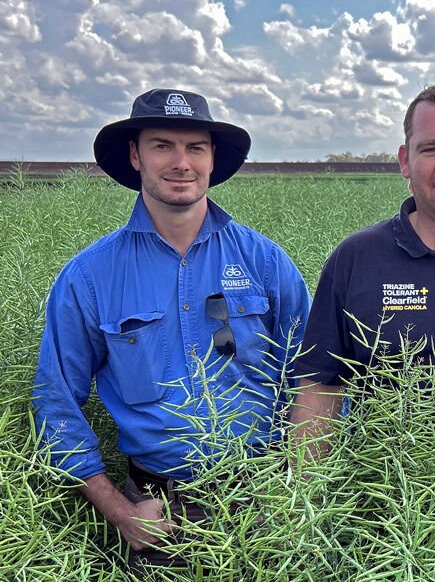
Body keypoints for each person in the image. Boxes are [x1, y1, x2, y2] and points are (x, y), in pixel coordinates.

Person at [33, 88, 311, 571]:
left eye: (195, 148)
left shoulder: (264, 262)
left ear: (211, 159)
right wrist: (120, 512)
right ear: (136, 156)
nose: (181, 162)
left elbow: (313, 377)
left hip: (266, 502)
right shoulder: (89, 276)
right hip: (158, 514)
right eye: (162, 145)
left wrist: (293, 491)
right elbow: (56, 402)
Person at [289, 83, 435, 454]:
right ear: (405, 160)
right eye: (431, 148)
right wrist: (305, 501)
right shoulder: (356, 258)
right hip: (390, 501)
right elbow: (320, 388)